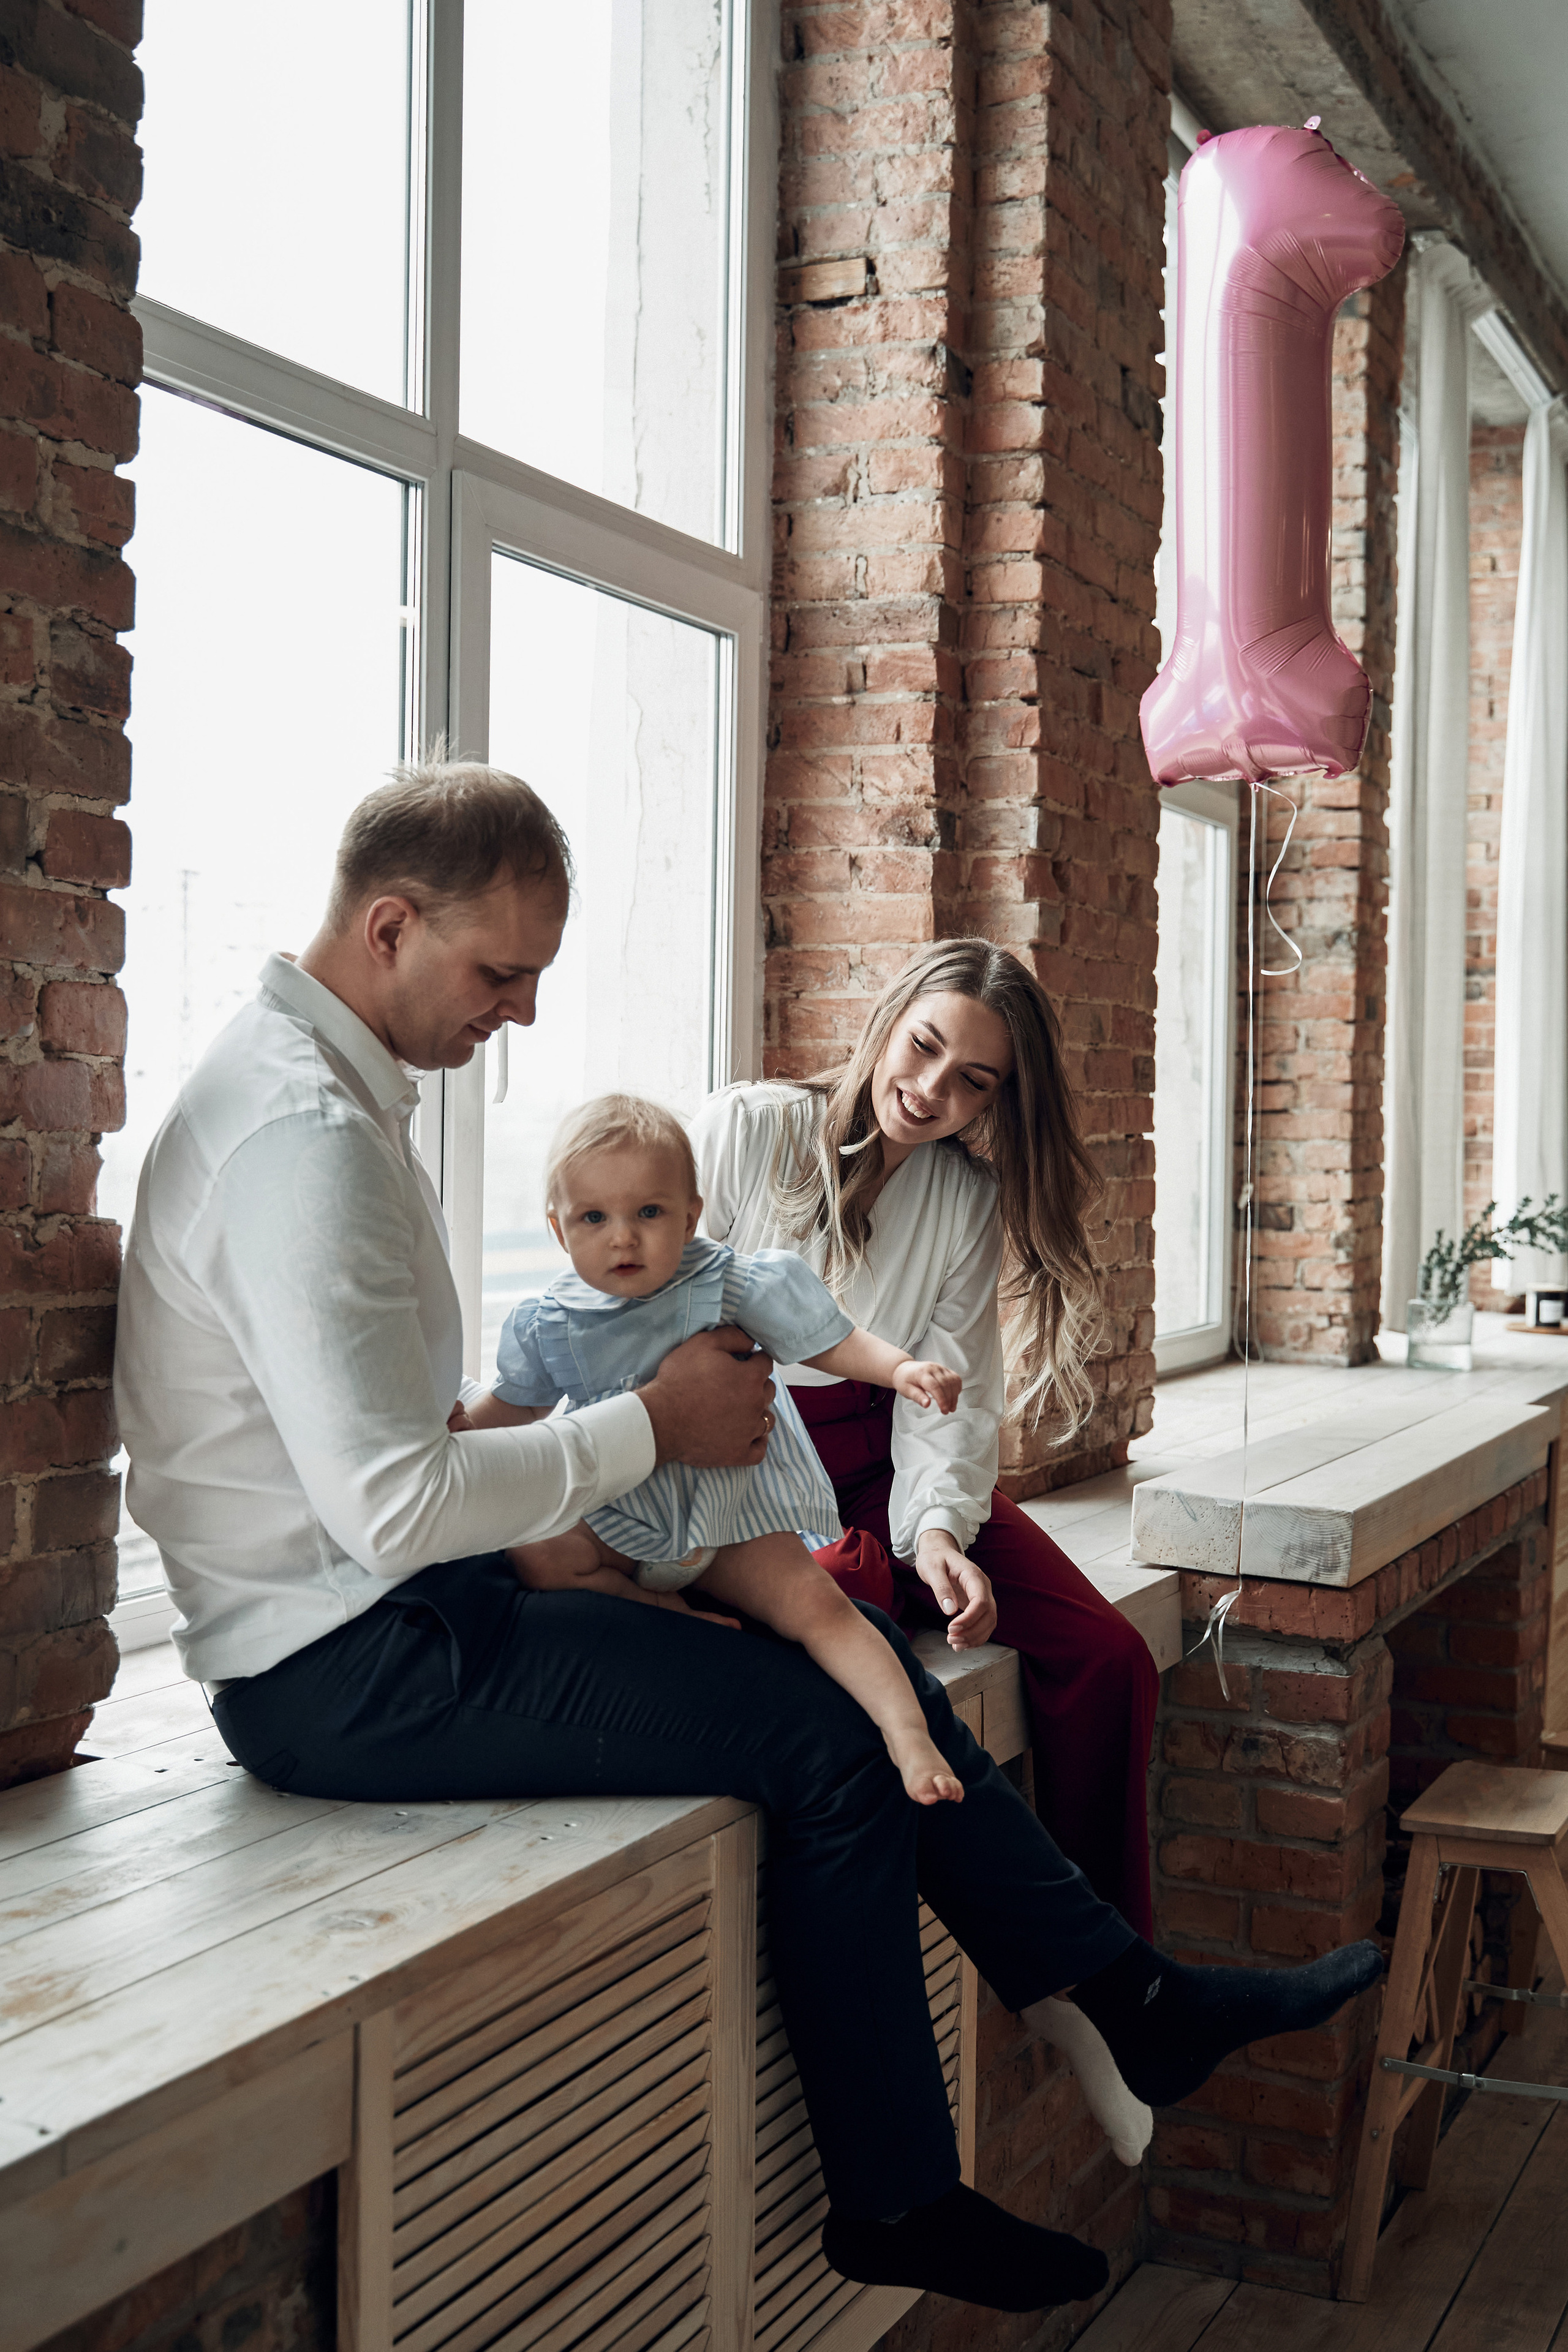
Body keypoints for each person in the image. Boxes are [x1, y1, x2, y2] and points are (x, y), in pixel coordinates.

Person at [115, 758, 1382, 2318]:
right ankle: (917, 2180)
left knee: (847, 1675)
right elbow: (390, 1504)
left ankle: (1124, 1998)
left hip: (398, 1607)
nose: (513, 1011)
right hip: (350, 1661)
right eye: (497, 970)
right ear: (389, 926)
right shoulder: (303, 1135)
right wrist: (650, 1425)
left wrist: (592, 1457)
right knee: (829, 1735)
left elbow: (385, 1440)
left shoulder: (314, 1097)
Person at [690, 938, 1165, 1939]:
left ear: (996, 1100)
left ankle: (1108, 1957)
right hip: (747, 1449)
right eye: (924, 1046)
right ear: (889, 1018)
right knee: (841, 1625)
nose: (931, 1087)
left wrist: (942, 1535)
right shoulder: (749, 1127)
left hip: (897, 1456)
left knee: (1110, 1657)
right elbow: (653, 1319)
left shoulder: (967, 1199)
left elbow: (949, 1399)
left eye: (972, 1080)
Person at [463, 1089, 969, 1804]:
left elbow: (827, 1339)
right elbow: (512, 1409)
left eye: (649, 1213)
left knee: (818, 1607)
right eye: (594, 1218)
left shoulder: (726, 1279)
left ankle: (907, 1734)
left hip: (731, 1516)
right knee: (542, 1550)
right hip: (618, 1523)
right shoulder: (548, 1323)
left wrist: (900, 1369)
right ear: (557, 1228)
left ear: (690, 1215)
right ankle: (677, 1621)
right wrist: (448, 1439)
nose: (623, 1239)